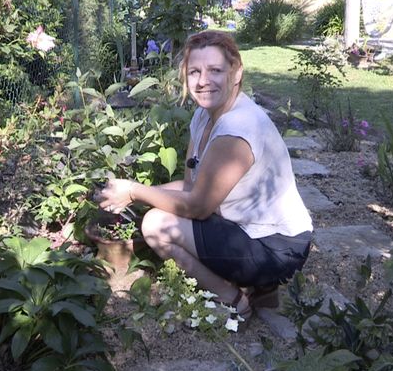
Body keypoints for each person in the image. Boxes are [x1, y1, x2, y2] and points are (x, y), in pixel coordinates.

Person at [95, 30, 312, 319]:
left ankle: (234, 300)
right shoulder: (205, 114)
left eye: (215, 70)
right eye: (194, 71)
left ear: (236, 73)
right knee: (160, 209)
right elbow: (190, 184)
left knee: (156, 225)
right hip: (255, 232)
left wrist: (135, 191)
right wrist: (136, 195)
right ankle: (260, 288)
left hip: (278, 248)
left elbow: (197, 205)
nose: (203, 81)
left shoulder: (237, 128)